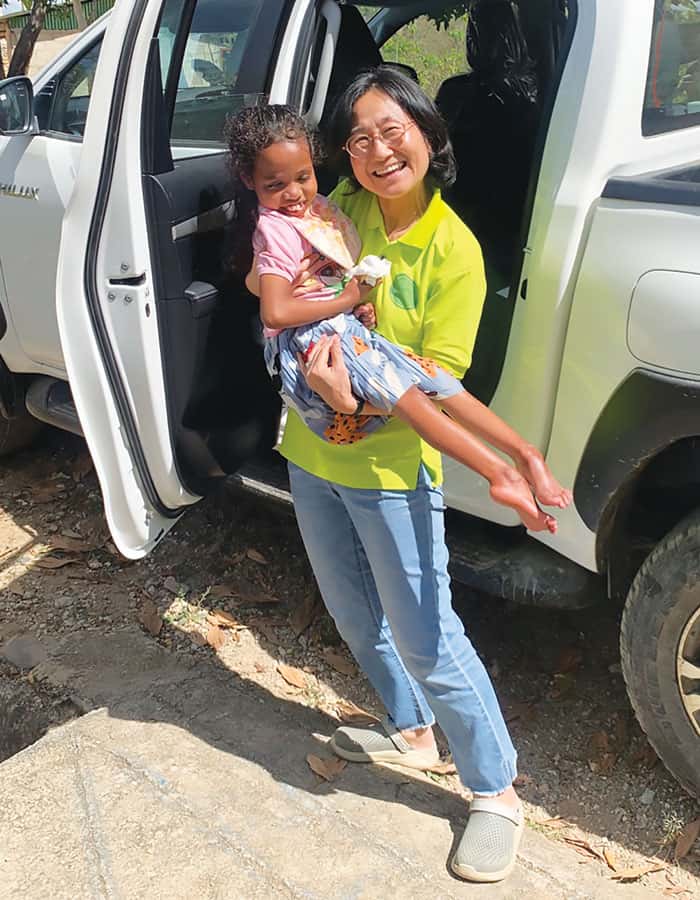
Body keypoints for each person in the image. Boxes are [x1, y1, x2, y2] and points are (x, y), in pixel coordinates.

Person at [227, 104, 571, 532]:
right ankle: (499, 473)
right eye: (275, 184)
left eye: (302, 178)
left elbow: (318, 273)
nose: (294, 193)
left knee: (433, 378)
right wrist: (347, 298)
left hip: (339, 331)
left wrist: (350, 303)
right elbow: (275, 309)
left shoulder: (325, 210)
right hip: (308, 343)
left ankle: (523, 453)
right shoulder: (282, 224)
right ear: (250, 182)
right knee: (407, 391)